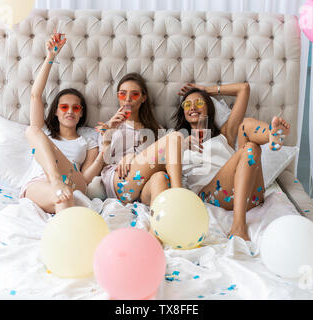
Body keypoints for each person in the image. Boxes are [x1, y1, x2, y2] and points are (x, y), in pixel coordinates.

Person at [174, 82, 291, 241]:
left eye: (199, 102)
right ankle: (238, 226)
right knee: (250, 148)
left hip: (251, 194)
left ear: (209, 108)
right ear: (184, 112)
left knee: (246, 125)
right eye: (187, 104)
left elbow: (244, 88)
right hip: (212, 195)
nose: (193, 107)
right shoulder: (177, 141)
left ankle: (272, 136)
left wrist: (206, 90)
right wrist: (182, 144)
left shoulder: (224, 135)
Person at [20, 32, 105, 214]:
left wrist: (104, 150)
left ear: (81, 113)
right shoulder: (45, 133)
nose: (69, 111)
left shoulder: (89, 139)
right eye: (64, 107)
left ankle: (57, 179)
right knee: (32, 131)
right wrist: (50, 57)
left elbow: (86, 179)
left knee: (66, 191)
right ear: (56, 111)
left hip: (73, 181)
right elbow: (35, 95)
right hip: (42, 181)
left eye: (75, 108)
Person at [96, 72, 184, 206]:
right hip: (120, 181)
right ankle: (180, 198)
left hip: (143, 189)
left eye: (134, 94)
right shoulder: (109, 126)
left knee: (160, 177)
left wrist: (134, 156)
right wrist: (110, 132)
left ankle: (157, 225)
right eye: (122, 94)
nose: (127, 99)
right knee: (175, 137)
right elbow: (102, 162)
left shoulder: (155, 128)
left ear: (143, 98)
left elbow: (166, 165)